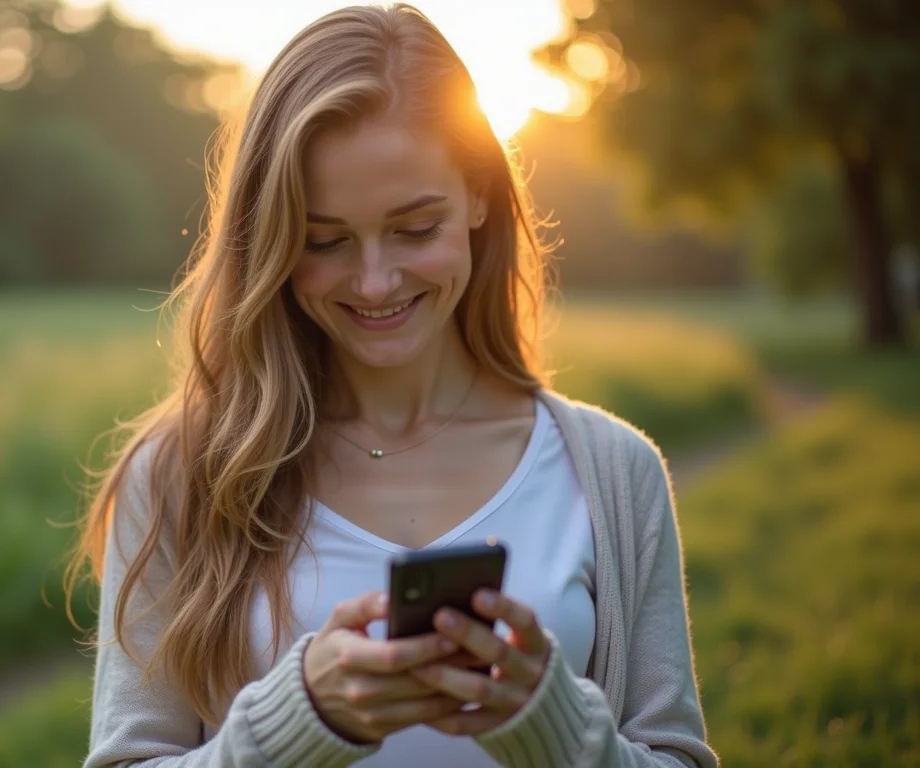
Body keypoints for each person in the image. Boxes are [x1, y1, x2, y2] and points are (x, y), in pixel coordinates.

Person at [68, 4, 716, 766]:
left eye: (415, 229)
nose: (374, 282)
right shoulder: (183, 475)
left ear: (478, 197)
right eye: (325, 240)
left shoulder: (614, 472)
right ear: (271, 240)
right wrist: (295, 722)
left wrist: (553, 725)